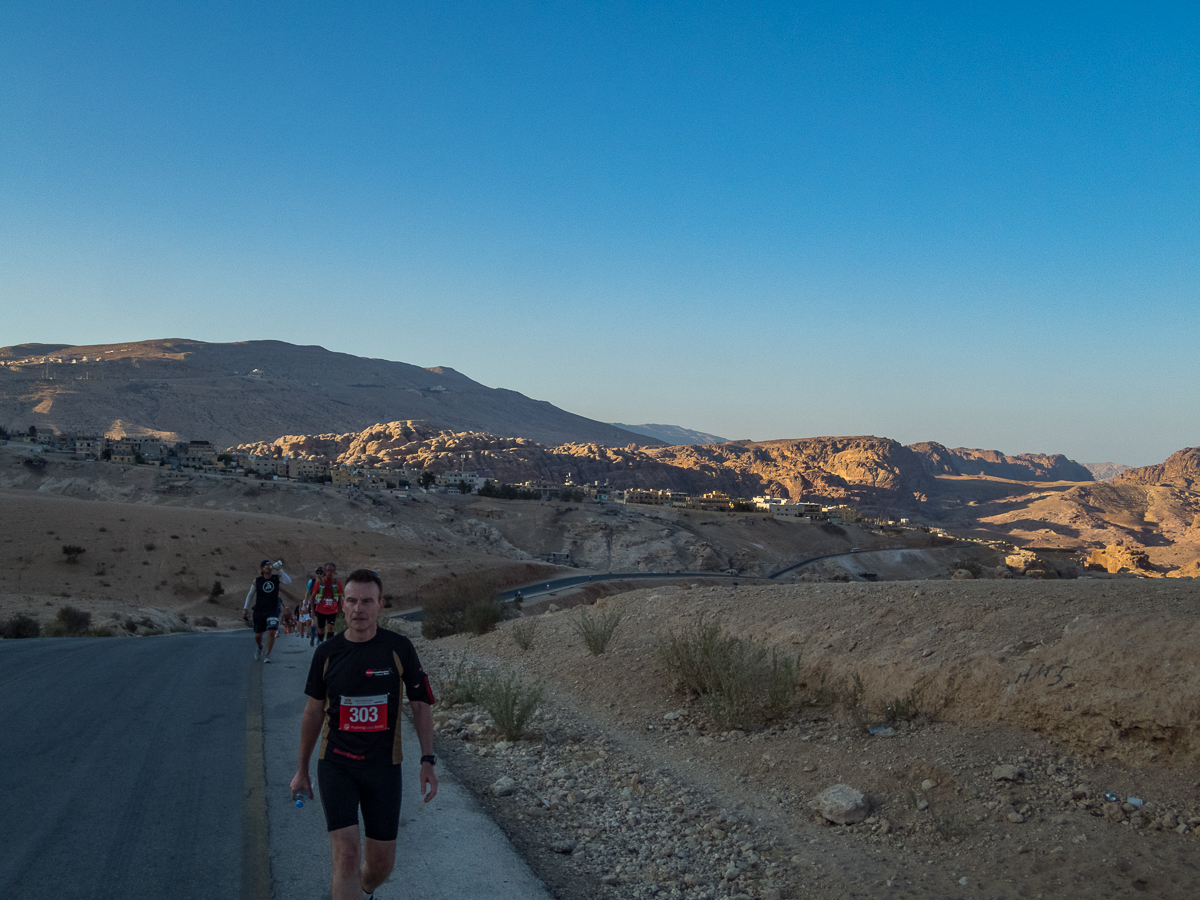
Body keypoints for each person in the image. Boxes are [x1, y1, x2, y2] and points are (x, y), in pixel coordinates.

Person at [290, 569, 438, 900]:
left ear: (380, 605)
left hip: (384, 767)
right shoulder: (326, 654)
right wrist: (301, 770)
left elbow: (420, 705)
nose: (359, 608)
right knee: (347, 855)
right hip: (337, 764)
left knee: (381, 864)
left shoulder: (399, 648)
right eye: (352, 600)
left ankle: (364, 890)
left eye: (367, 601)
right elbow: (313, 713)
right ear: (341, 605)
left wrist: (427, 760)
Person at [242, 560, 291, 663]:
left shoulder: (276, 578)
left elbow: (288, 581)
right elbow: (250, 595)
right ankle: (260, 647)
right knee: (258, 635)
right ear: (261, 569)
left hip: (272, 610)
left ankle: (267, 655)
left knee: (272, 631)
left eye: (269, 565)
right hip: (259, 610)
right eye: (266, 566)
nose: (268, 567)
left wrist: (280, 570)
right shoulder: (257, 581)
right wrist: (245, 608)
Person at [312, 561, 344, 644]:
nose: (329, 572)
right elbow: (312, 596)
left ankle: (329, 645)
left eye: (331, 570)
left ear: (334, 571)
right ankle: (320, 641)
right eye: (328, 570)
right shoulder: (319, 583)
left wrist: (339, 609)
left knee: (330, 627)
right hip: (320, 610)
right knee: (321, 629)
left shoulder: (337, 583)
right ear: (325, 571)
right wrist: (312, 610)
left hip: (332, 610)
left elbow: (340, 597)